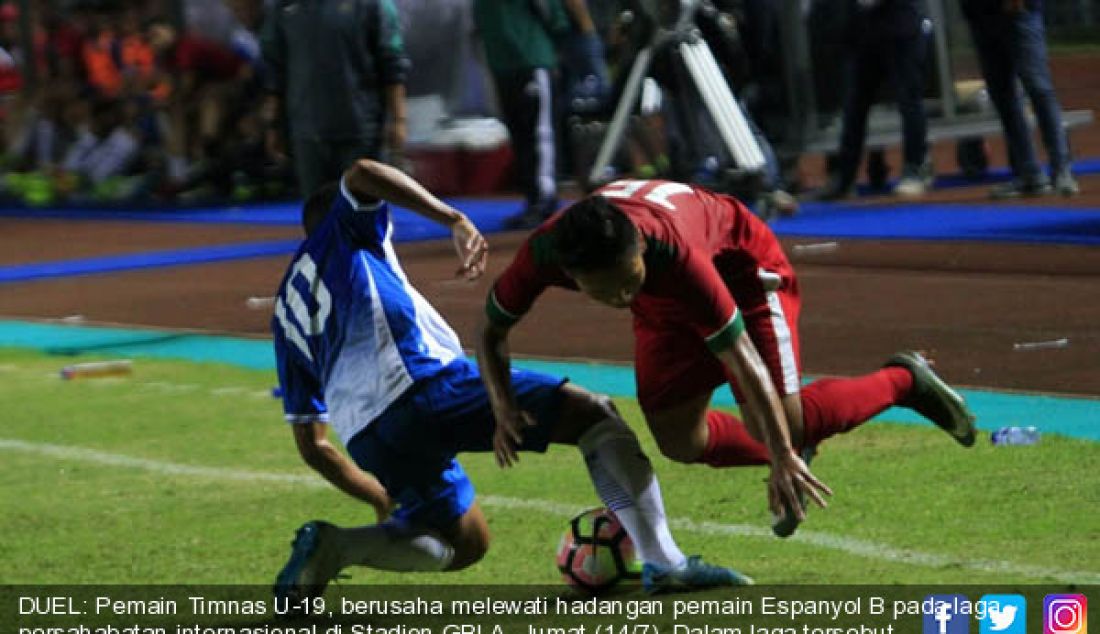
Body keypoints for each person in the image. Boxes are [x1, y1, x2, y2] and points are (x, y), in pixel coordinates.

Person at [270, 160, 747, 602]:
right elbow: (362, 172)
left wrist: (377, 493)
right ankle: (665, 564)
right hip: (423, 384)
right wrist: (452, 216)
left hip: (369, 438)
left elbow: (313, 445)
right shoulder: (348, 230)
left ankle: (338, 547)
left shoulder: (285, 312)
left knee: (464, 543)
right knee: (595, 415)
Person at [477, 178, 977, 537]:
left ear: (640, 248)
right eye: (605, 292)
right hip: (666, 301)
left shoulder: (674, 257)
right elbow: (491, 331)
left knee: (782, 423)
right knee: (679, 438)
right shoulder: (545, 253)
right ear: (569, 272)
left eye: (628, 281)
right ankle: (789, 452)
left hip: (743, 273)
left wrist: (780, 449)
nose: (621, 297)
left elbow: (739, 355)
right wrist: (502, 407)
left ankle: (903, 380)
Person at [260, 0, 409, 197]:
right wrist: (273, 124)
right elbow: (274, 68)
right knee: (318, 216)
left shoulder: (374, 4)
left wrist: (399, 120)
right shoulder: (283, 7)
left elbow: (392, 63)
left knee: (362, 212)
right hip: (306, 133)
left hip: (360, 130)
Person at [815, 0, 933, 200]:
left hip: (899, 24)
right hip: (862, 28)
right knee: (854, 107)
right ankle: (845, 177)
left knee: (909, 100)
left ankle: (916, 168)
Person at [960, 0, 1078, 198]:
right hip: (980, 15)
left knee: (1038, 87)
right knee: (1003, 95)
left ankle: (1061, 169)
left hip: (1018, 11)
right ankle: (1029, 173)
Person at [472, 0, 566, 230]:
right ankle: (533, 198)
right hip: (502, 63)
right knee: (519, 135)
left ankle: (545, 198)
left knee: (539, 132)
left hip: (531, 59)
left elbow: (554, 16)